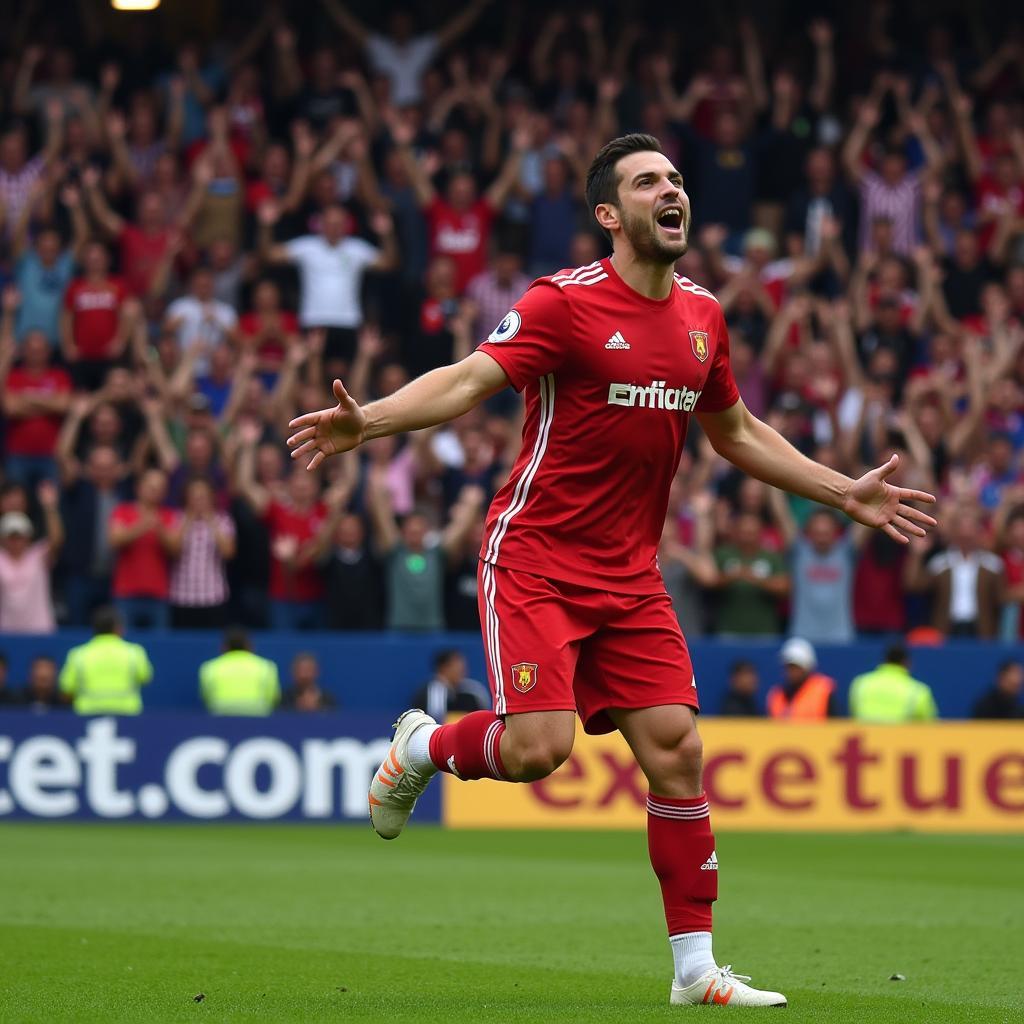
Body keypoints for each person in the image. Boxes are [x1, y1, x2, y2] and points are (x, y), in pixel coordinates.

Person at [287, 132, 937, 1008]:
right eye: (647, 182)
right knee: (537, 752)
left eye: (675, 178)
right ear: (609, 214)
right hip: (536, 558)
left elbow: (736, 432)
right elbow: (468, 380)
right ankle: (418, 747)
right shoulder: (563, 304)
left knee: (677, 752)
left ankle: (696, 971)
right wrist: (371, 423)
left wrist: (838, 492)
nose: (672, 191)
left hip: (630, 574)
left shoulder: (704, 316)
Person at [59, 606, 153, 715]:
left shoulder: (78, 654)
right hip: (127, 714)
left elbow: (66, 690)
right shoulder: (134, 652)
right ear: (118, 628)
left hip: (87, 715)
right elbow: (146, 678)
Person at [0, 482, 64, 634]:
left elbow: (57, 540)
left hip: (40, 629)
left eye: (20, 536)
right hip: (5, 631)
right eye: (11, 537)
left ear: (28, 537)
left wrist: (50, 508)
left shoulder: (38, 555)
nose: (16, 541)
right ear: (3, 539)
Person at [199, 627, 280, 716]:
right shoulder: (266, 666)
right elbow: (272, 699)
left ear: (224, 647)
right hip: (257, 713)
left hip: (221, 713)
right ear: (249, 646)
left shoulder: (209, 667)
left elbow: (206, 698)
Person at [848, 644, 939, 723]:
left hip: (867, 740)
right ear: (907, 663)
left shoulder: (860, 683)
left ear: (885, 660)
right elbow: (930, 727)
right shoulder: (919, 691)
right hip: (903, 741)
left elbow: (854, 714)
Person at [766, 637, 839, 720]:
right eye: (789, 667)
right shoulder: (776, 696)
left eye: (796, 667)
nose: (792, 672)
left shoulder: (824, 691)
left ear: (808, 667)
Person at [410, 649, 491, 721]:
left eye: (462, 667)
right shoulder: (428, 695)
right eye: (456, 666)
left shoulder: (474, 691)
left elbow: (484, 719)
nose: (461, 670)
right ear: (443, 668)